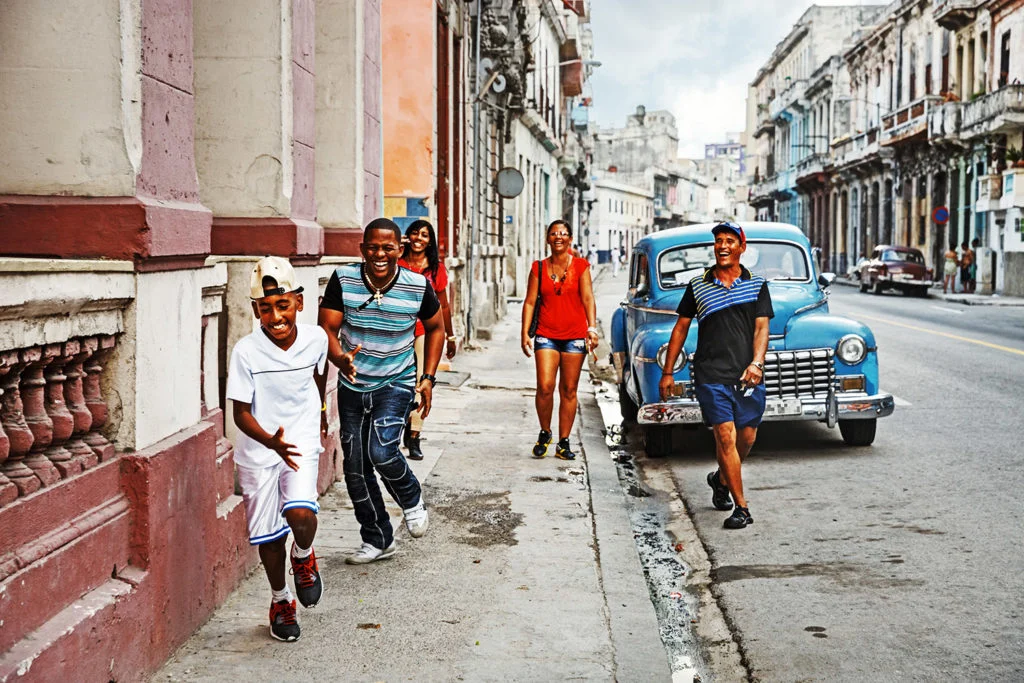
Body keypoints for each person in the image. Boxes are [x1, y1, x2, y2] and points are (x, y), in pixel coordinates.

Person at [318, 218, 446, 564]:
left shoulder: (417, 285)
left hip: (396, 380)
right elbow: (327, 328)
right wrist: (341, 358)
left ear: (399, 249)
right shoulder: (343, 280)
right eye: (372, 247)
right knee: (355, 467)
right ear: (362, 250)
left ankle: (410, 497)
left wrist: (428, 378)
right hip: (352, 383)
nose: (379, 253)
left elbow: (436, 329)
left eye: (387, 247)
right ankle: (378, 539)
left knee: (381, 451)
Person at [226, 256, 328, 642]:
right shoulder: (246, 352)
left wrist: (318, 413)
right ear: (256, 311)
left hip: (298, 443)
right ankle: (281, 599)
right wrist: (270, 441)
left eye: (282, 305)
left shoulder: (316, 339)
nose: (275, 316)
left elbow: (319, 373)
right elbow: (240, 413)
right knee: (269, 537)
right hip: (258, 451)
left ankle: (303, 556)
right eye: (265, 309)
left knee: (302, 515)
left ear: (299, 303)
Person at [658, 221, 773, 530]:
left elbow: (762, 328)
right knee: (725, 436)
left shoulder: (757, 285)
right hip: (710, 375)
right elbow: (681, 328)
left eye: (729, 241)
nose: (723, 246)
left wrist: (757, 364)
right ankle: (742, 508)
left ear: (741, 248)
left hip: (747, 376)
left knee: (746, 438)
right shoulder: (698, 285)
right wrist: (668, 372)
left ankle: (720, 480)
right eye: (718, 241)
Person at [520, 219, 599, 461]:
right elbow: (530, 301)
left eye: (563, 233)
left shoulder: (581, 266)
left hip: (575, 336)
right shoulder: (538, 268)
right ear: (547, 238)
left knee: (569, 389)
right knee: (545, 386)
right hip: (546, 334)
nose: (558, 237)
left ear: (570, 239)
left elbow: (588, 298)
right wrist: (524, 332)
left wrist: (592, 329)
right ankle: (545, 432)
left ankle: (564, 442)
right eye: (554, 233)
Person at [398, 219, 457, 460]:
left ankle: (414, 436)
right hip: (398, 330)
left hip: (424, 331)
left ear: (430, 240)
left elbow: (443, 305)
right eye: (414, 233)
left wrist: (450, 336)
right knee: (399, 383)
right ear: (408, 236)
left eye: (424, 235)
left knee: (422, 382)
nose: (419, 238)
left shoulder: (436, 269)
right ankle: (399, 424)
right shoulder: (397, 263)